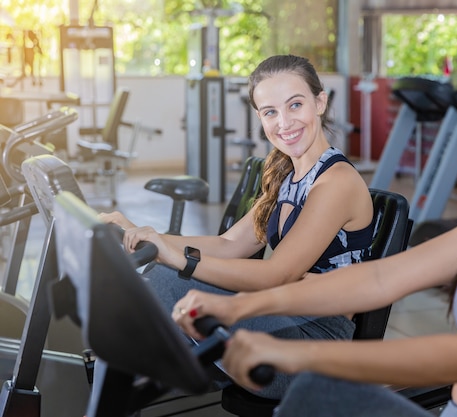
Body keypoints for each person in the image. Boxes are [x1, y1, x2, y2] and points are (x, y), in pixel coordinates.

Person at [172, 39, 457, 417]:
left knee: (318, 393)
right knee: (319, 397)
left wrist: (299, 354)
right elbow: (378, 277)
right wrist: (238, 309)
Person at [99, 54, 375, 399]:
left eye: (295, 105)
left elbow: (277, 274)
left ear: (320, 102)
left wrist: (179, 260)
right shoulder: (286, 175)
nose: (284, 122)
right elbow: (230, 243)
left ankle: (110, 398)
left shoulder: (336, 182)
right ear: (259, 117)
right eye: (270, 112)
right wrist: (147, 236)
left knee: (168, 282)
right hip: (279, 316)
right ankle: (118, 391)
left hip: (315, 345)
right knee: (153, 286)